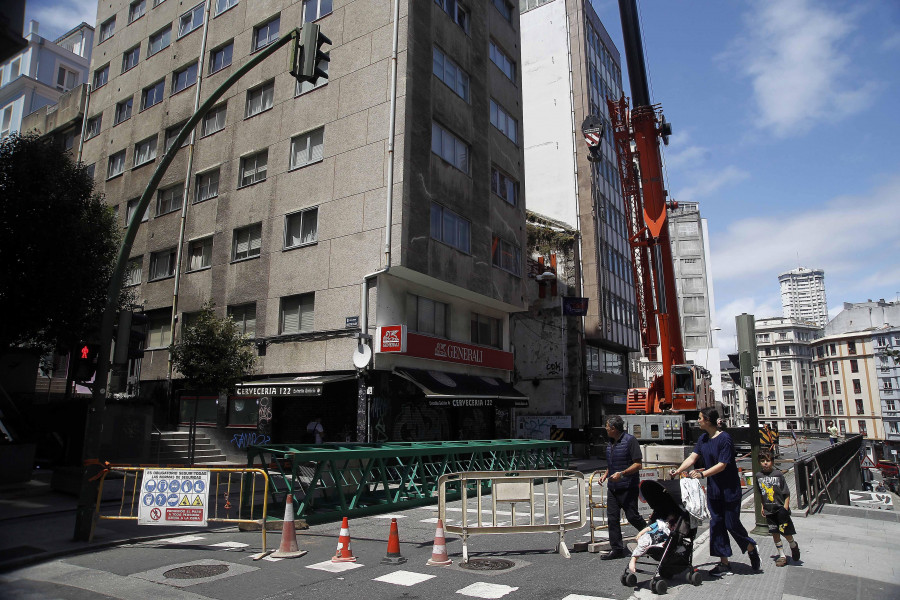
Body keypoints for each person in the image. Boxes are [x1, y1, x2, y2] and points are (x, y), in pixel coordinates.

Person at [671, 407, 759, 576]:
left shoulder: (725, 439)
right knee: (716, 524)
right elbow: (692, 457)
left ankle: (750, 547)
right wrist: (678, 470)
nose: (698, 420)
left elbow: (722, 464)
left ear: (708, 421)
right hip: (714, 491)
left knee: (731, 523)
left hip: (730, 489)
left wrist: (702, 473)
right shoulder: (703, 439)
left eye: (700, 418)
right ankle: (724, 564)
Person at [598, 415, 647, 560]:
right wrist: (606, 474)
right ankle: (617, 549)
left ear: (613, 428)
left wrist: (622, 474)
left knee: (632, 516)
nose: (605, 428)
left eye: (607, 426)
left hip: (627, 486)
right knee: (612, 518)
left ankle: (650, 535)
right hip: (613, 487)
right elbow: (612, 463)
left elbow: (638, 464)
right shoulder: (610, 442)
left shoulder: (630, 441)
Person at [755, 451, 800, 567]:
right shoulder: (758, 476)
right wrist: (762, 506)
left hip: (780, 508)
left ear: (772, 462)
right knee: (775, 532)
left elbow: (786, 492)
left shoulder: (778, 474)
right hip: (769, 509)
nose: (765, 463)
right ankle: (782, 556)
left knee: (785, 532)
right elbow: (761, 492)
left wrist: (786, 506)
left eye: (768, 461)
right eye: (763, 461)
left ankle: (793, 545)